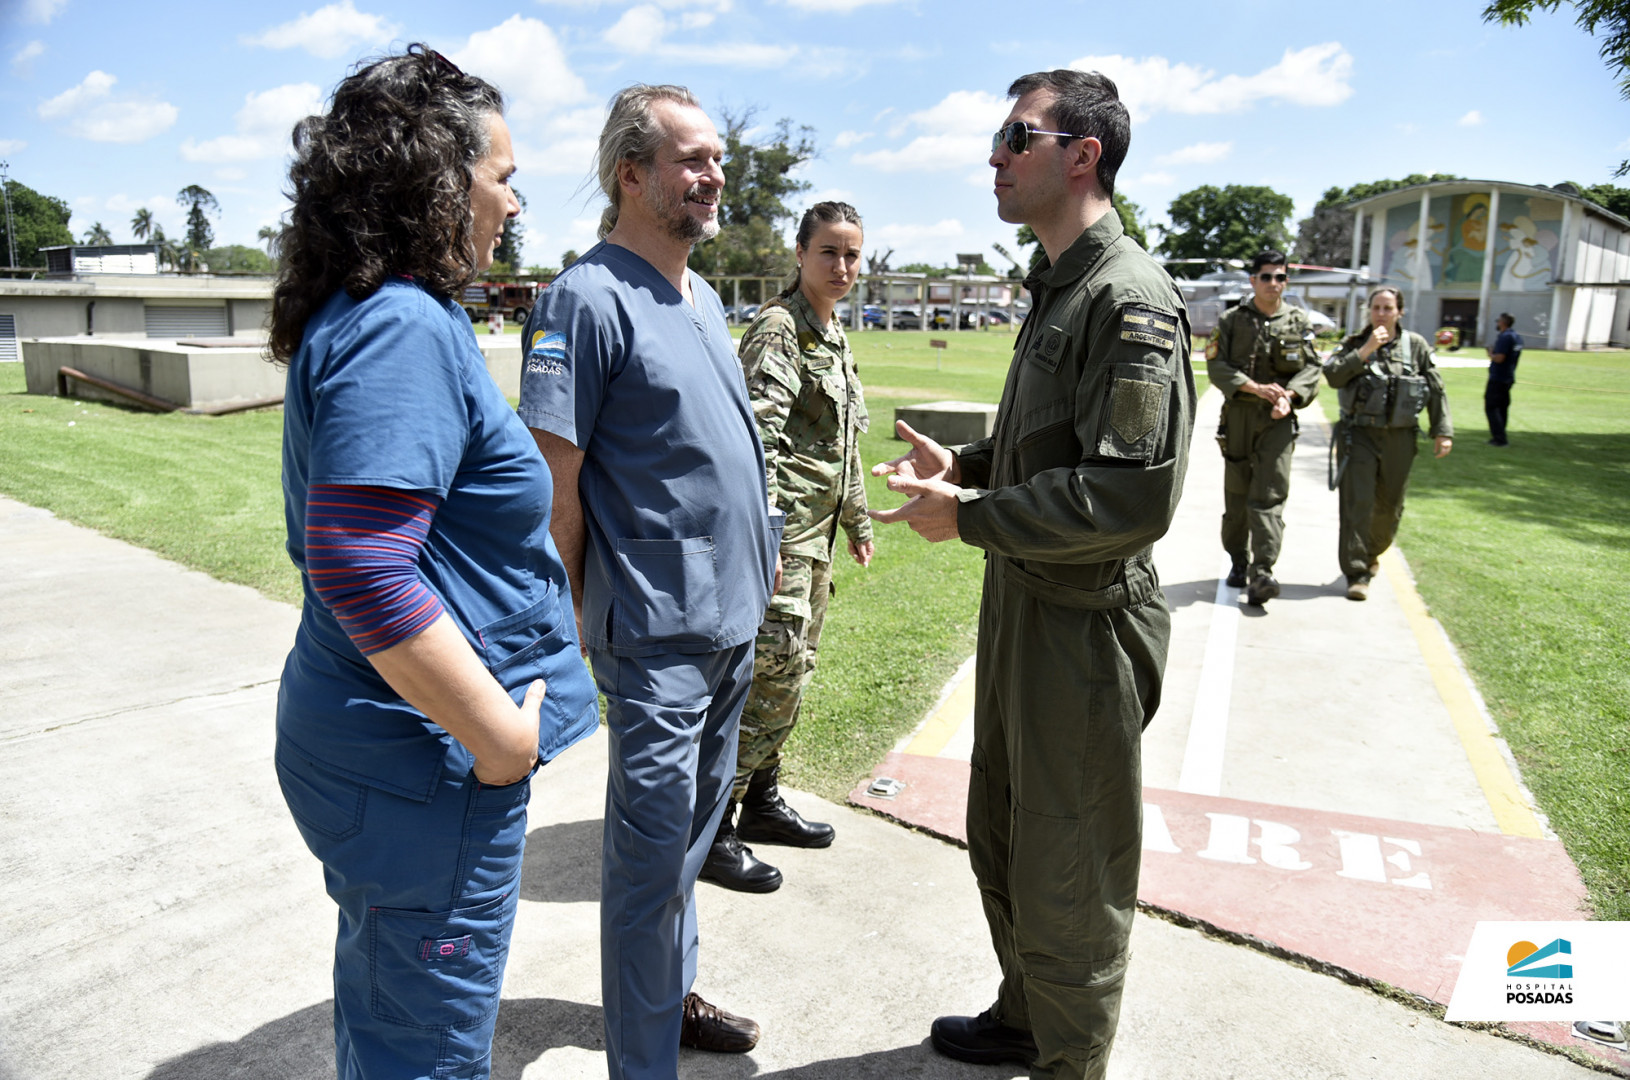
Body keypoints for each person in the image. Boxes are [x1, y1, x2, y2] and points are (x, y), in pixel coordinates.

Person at [270, 46, 598, 1080]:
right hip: (425, 763)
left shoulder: (386, 310)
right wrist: (499, 738)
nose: (514, 200)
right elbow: (362, 563)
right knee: (429, 1039)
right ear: (435, 176)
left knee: (392, 1003)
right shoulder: (401, 325)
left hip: (392, 754)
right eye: (501, 175)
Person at [869, 69, 1195, 1080]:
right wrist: (964, 470)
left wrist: (970, 517)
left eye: (1017, 136)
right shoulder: (1059, 284)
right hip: (1026, 601)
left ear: (1081, 154)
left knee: (1068, 863)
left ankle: (1071, 1063)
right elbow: (1050, 446)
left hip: (1083, 623)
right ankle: (1026, 1016)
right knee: (1003, 830)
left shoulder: (1127, 298)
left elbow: (1128, 498)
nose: (995, 158)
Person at [517, 84, 778, 1078]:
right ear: (632, 174)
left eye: (716, 160)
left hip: (732, 623)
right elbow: (557, 489)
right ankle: (642, 1063)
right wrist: (563, 639)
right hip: (658, 638)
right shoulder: (581, 301)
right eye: (692, 160)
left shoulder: (701, 296)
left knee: (692, 842)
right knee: (644, 867)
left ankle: (672, 1002)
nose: (713, 176)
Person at [699, 201, 875, 893]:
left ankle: (762, 800)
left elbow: (846, 442)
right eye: (829, 252)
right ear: (799, 254)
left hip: (816, 542)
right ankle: (713, 829)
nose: (842, 267)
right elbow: (756, 447)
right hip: (782, 543)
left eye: (853, 254)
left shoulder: (831, 334)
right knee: (768, 679)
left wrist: (857, 520)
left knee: (793, 672)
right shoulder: (780, 331)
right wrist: (765, 537)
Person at [1204, 250, 1323, 605]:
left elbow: (1313, 369)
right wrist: (1254, 387)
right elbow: (1216, 366)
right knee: (1237, 496)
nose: (1275, 283)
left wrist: (1289, 395)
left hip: (1279, 421)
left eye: (1281, 277)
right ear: (1253, 280)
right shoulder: (1231, 320)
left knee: (1270, 494)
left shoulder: (1299, 322)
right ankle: (1238, 561)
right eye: (1267, 276)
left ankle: (1263, 571)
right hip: (1240, 416)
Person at [1325, 287, 1453, 601]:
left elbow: (1435, 388)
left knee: (1390, 506)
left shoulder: (1416, 346)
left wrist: (1442, 430)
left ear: (1399, 311)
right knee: (1358, 503)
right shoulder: (1355, 343)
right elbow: (1332, 376)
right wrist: (1366, 350)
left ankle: (1371, 554)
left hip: (1400, 438)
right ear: (1369, 311)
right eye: (1376, 307)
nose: (1381, 313)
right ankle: (1356, 572)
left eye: (1388, 307)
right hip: (1360, 436)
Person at [1485, 312, 1522, 446]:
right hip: (1508, 376)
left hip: (1498, 378)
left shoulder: (1505, 337)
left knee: (1492, 407)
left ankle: (1499, 438)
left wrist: (1490, 354)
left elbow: (1500, 358)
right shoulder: (1516, 337)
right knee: (1502, 408)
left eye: (1498, 321)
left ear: (1503, 322)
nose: (1497, 324)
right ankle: (1500, 435)